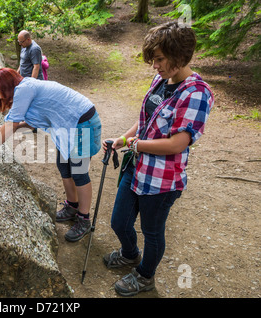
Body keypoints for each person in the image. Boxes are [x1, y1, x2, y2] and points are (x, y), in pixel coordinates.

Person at [102, 22, 214, 296]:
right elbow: (145, 122)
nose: (154, 65)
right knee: (119, 221)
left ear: (179, 55)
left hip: (163, 180)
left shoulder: (196, 92)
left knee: (152, 233)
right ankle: (130, 254)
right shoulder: (161, 79)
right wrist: (123, 139)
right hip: (137, 167)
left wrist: (136, 145)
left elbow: (178, 143)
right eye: (153, 59)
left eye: (160, 59)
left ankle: (145, 275)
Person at [0, 68, 102, 242]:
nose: (1, 96)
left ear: (10, 85)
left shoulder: (24, 89)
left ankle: (84, 218)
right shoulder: (25, 88)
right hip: (66, 125)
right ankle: (72, 206)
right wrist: (5, 128)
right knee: (64, 167)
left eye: (0, 91)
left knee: (79, 173)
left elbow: (11, 125)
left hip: (82, 122)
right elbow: (28, 122)